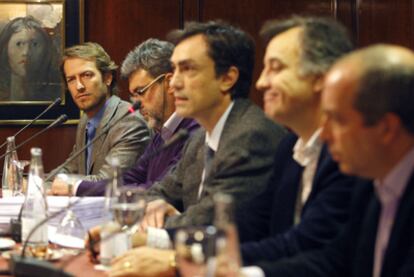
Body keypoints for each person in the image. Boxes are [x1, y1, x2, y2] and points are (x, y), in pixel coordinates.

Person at [108, 20, 286, 277]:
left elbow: (209, 225)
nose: (174, 83)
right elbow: (159, 191)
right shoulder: (200, 136)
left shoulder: (251, 135)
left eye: (187, 69)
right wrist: (155, 206)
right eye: (174, 70)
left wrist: (152, 227)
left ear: (227, 78)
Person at [255, 45, 414, 277]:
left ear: (386, 128)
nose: (326, 134)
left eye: (338, 120)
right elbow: (333, 261)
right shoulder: (371, 181)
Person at [70, 38, 199, 196]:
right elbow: (127, 179)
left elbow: (159, 190)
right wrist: (77, 186)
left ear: (169, 83)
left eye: (141, 92)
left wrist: (76, 187)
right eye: (133, 95)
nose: (136, 104)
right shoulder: (161, 134)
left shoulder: (194, 131)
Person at [50, 42, 150, 196]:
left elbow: (108, 181)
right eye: (71, 79)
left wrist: (63, 185)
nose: (79, 86)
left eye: (87, 75)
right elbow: (70, 168)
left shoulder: (129, 121)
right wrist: (38, 184)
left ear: (107, 78)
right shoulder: (86, 121)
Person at [0, 16, 61, 101]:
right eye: (19, 44)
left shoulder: (57, 93)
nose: (26, 52)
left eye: (35, 44)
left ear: (45, 50)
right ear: (5, 48)